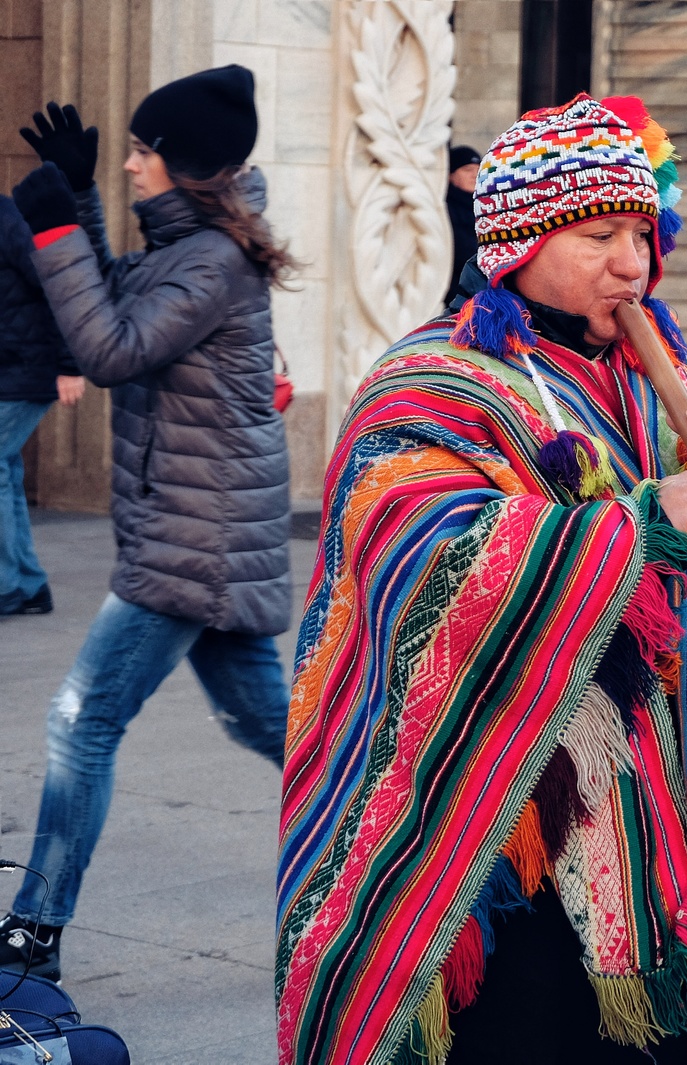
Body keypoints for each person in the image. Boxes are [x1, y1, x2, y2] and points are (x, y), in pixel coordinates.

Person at [275, 95, 687, 1065]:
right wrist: (638, 527)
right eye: (599, 234)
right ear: (515, 244)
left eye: (640, 231)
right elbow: (420, 560)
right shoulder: (432, 383)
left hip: (652, 811)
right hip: (501, 816)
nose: (632, 261)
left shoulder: (667, 375)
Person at [0, 67, 293, 982]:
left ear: (179, 164)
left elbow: (110, 348)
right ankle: (438, 831)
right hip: (196, 527)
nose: (129, 164)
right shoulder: (192, 249)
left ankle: (33, 932)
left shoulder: (212, 262)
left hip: (194, 538)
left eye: (139, 151)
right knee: (282, 730)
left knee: (79, 722)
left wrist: (52, 225)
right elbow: (117, 295)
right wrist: (79, 200)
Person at [0, 187, 83, 615]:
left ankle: (8, 585)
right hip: (11, 370)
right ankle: (28, 585)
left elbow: (60, 284)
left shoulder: (7, 219)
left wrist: (70, 364)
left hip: (26, 369)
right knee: (7, 470)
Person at [444, 144, 480, 306]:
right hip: (451, 299)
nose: (474, 175)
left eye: (478, 169)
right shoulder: (444, 210)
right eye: (467, 170)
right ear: (450, 175)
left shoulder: (487, 208)